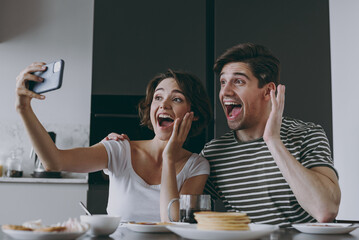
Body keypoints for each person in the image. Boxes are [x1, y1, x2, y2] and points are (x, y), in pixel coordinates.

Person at [108, 43, 341, 227]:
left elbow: (325, 210)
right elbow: (174, 213)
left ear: (268, 91)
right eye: (222, 82)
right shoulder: (214, 153)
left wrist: (273, 142)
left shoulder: (307, 134)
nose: (225, 92)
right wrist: (125, 157)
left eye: (238, 81)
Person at [15, 64, 212, 222]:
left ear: (193, 115)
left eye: (176, 99)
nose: (163, 104)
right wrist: (24, 109)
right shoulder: (120, 149)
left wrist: (169, 158)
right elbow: (54, 162)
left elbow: (174, 222)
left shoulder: (196, 165)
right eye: (158, 97)